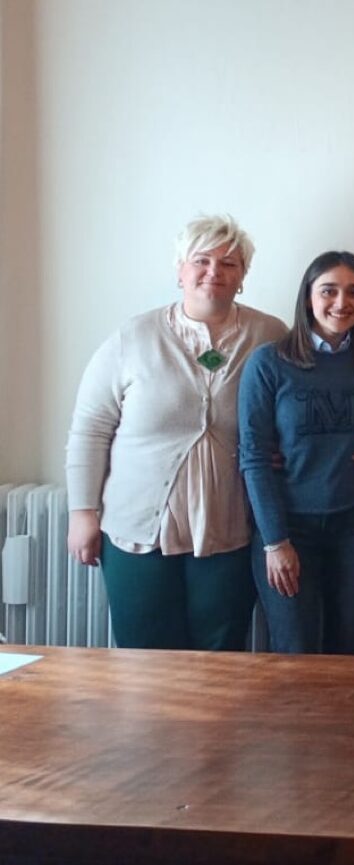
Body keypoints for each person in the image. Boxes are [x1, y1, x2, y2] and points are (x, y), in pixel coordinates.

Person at [64, 215, 287, 650]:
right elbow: (90, 428)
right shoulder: (134, 337)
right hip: (136, 532)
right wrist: (82, 513)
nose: (214, 273)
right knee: (145, 661)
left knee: (219, 660)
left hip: (227, 529)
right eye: (201, 261)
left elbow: (299, 407)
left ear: (243, 276)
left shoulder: (269, 336)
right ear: (180, 270)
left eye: (229, 264)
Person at [238, 251, 354, 655]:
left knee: (348, 649)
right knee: (294, 651)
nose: (342, 303)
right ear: (308, 298)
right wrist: (275, 541)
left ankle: (345, 722)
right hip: (290, 528)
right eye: (329, 291)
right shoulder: (269, 363)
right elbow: (253, 458)